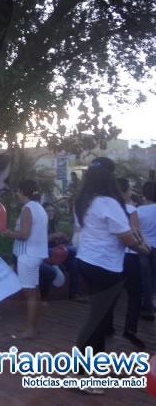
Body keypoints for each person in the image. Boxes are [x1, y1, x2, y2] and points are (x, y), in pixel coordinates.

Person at [73, 158, 147, 394]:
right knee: (98, 321)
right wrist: (143, 249)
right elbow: (126, 238)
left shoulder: (84, 201)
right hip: (105, 267)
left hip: (87, 262)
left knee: (100, 319)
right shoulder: (108, 203)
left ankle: (96, 367)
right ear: (110, 178)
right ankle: (86, 375)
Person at [3, 180, 48, 339]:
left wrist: (9, 233)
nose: (16, 194)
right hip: (36, 254)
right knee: (35, 291)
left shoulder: (27, 208)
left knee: (30, 293)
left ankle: (30, 329)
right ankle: (34, 326)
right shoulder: (39, 208)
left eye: (18, 191)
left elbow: (24, 234)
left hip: (27, 255)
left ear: (23, 192)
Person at [108, 178, 146, 348]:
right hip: (130, 255)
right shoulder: (131, 209)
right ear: (124, 192)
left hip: (112, 256)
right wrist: (144, 248)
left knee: (112, 294)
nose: (131, 193)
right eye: (129, 190)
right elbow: (136, 233)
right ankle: (130, 330)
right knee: (134, 294)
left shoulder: (107, 209)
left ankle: (107, 326)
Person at [137, 180, 156, 321]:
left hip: (143, 247)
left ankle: (147, 306)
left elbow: (136, 232)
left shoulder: (137, 211)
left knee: (145, 278)